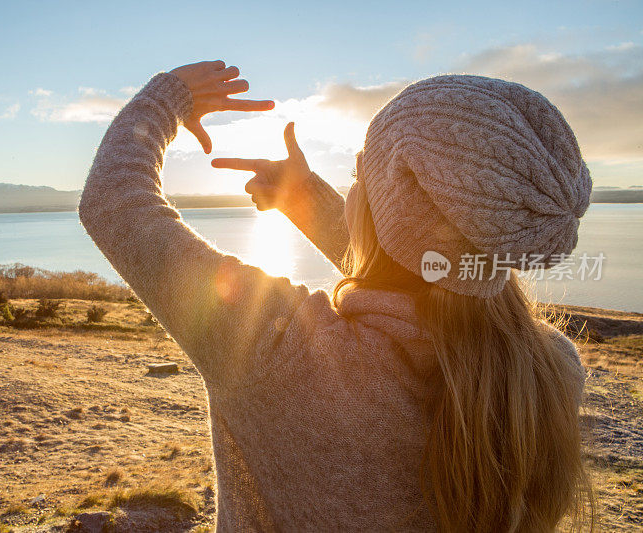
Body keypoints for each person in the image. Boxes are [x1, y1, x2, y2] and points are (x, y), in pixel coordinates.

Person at [79, 60, 594, 532]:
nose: (351, 190)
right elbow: (431, 269)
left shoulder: (279, 354)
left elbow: (115, 204)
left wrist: (167, 97)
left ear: (379, 211)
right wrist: (304, 199)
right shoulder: (547, 371)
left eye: (357, 177)